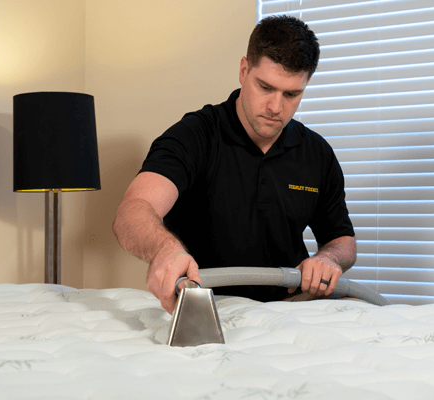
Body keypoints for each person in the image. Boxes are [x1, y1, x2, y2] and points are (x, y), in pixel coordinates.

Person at [113, 15, 356, 314]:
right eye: (265, 87)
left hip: (290, 309)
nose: (276, 107)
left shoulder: (317, 153)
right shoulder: (195, 136)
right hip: (204, 306)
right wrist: (164, 250)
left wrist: (328, 259)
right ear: (244, 71)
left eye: (291, 94)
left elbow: (342, 240)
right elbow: (133, 210)